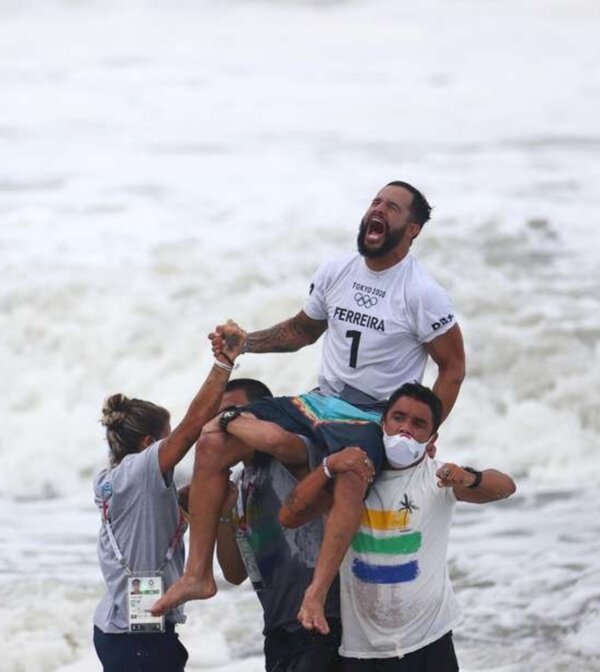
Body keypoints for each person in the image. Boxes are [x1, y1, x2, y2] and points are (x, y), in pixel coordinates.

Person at [154, 181, 466, 630]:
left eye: (392, 208)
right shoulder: (337, 271)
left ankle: (315, 595)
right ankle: (198, 573)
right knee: (214, 443)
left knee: (333, 465)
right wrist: (246, 344)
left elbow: (452, 368)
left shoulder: (423, 293)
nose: (378, 210)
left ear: (412, 229)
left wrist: (420, 434)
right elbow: (302, 331)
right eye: (376, 201)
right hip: (319, 402)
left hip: (372, 417)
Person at [281, 383, 516, 671]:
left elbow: (505, 487)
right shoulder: (353, 477)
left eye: (419, 424)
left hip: (429, 641)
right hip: (362, 651)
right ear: (382, 423)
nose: (405, 429)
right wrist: (328, 465)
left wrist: (471, 477)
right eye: (398, 418)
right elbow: (290, 515)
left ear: (432, 437)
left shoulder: (438, 478)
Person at [92, 321, 247, 672]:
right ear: (150, 445)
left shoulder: (112, 480)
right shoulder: (143, 468)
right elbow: (194, 424)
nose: (171, 446)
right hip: (137, 638)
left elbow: (161, 519)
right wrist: (224, 362)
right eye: (166, 438)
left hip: (121, 630)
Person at [213, 378, 342, 672]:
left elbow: (276, 441)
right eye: (218, 416)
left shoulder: (296, 455)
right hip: (278, 630)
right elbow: (234, 573)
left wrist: (227, 418)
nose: (225, 425)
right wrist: (223, 513)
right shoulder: (239, 482)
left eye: (233, 413)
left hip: (324, 621)